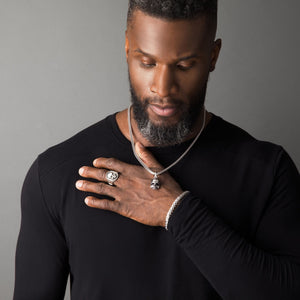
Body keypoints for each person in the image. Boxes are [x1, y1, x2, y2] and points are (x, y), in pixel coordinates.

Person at [13, 1, 300, 299]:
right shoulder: (55, 175)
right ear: (127, 48)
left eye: (184, 65)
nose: (163, 88)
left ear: (212, 56)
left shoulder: (267, 171)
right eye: (147, 63)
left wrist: (177, 213)